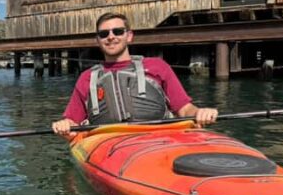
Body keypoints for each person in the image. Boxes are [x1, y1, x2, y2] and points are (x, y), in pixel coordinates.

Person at [52, 12, 218, 138]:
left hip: (158, 138)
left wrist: (198, 113)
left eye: (117, 31)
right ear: (98, 40)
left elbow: (184, 109)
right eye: (104, 34)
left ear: (129, 36)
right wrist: (65, 125)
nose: (111, 37)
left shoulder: (157, 66)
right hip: (107, 143)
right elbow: (72, 123)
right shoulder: (86, 78)